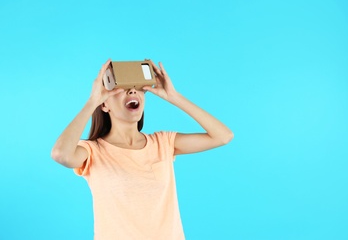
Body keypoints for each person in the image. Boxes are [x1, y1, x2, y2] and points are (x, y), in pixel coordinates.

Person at [51, 59, 234, 239]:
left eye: (139, 88)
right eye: (121, 88)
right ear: (105, 104)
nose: (132, 91)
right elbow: (61, 154)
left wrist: (174, 96)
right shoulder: (93, 151)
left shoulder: (163, 143)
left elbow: (223, 136)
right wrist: (92, 102)